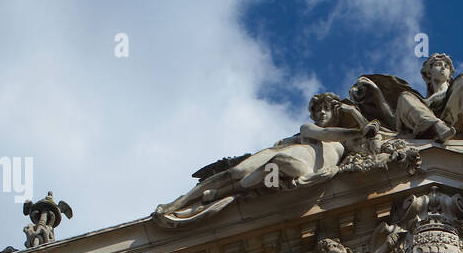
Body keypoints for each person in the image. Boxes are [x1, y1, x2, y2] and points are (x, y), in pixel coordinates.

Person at [154, 93, 378, 225]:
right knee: (233, 173)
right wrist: (358, 130)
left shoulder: (344, 144)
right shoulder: (308, 129)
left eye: (326, 110)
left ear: (335, 112)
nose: (321, 114)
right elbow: (326, 134)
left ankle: (228, 191)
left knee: (275, 164)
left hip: (301, 169)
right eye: (318, 110)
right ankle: (179, 203)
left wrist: (356, 116)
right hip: (281, 158)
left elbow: (371, 140)